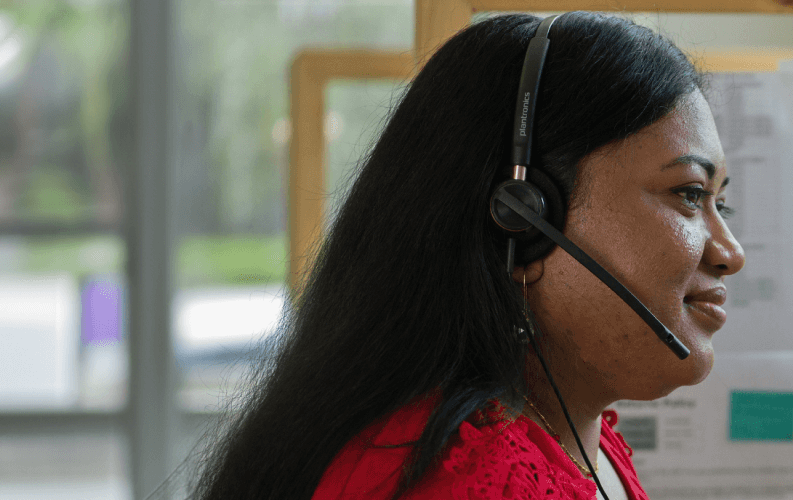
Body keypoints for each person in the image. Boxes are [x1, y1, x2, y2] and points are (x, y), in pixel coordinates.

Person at [190, 11, 743, 500]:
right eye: (689, 195)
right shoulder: (474, 480)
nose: (730, 253)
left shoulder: (571, 437)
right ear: (522, 220)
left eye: (722, 203)